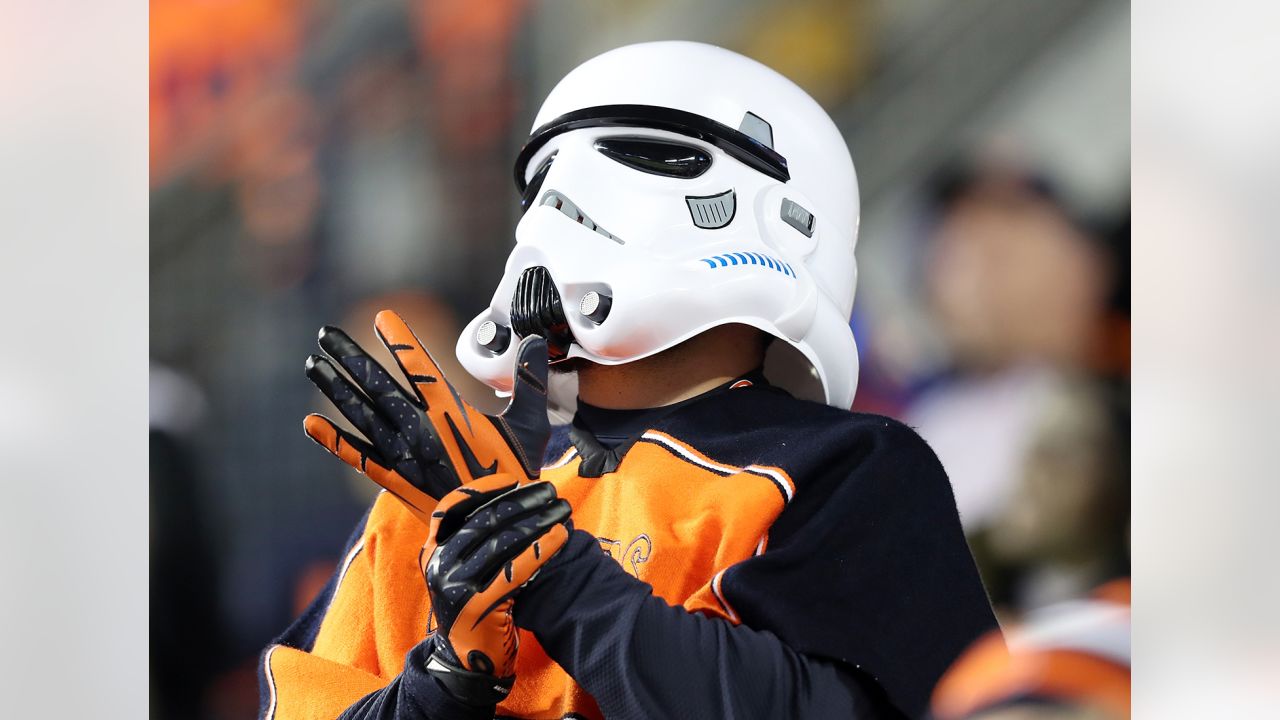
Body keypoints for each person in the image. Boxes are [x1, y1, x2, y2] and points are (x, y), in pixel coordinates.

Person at [259, 41, 997, 720]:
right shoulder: (430, 505)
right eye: (541, 182)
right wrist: (446, 682)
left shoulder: (842, 467)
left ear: (788, 218)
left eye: (645, 155)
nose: (561, 205)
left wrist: (562, 581)